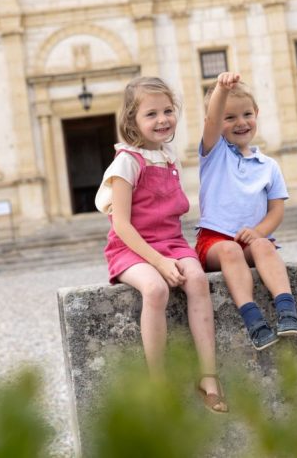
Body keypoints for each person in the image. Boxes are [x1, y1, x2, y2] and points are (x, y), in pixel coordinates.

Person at [95, 76, 228, 414]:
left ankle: (208, 376)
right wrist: (158, 262)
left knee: (197, 281)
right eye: (151, 113)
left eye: (167, 110)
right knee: (155, 290)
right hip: (131, 249)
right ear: (132, 120)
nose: (162, 119)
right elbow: (122, 225)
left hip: (171, 241)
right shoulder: (125, 162)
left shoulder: (169, 157)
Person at [195, 71, 297, 351]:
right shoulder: (214, 153)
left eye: (246, 115)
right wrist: (220, 88)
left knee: (265, 246)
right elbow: (212, 119)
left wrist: (258, 233)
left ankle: (286, 310)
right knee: (230, 251)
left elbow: (276, 211)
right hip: (216, 242)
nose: (240, 123)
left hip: (249, 240)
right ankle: (253, 320)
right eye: (230, 118)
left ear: (256, 113)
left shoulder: (268, 166)